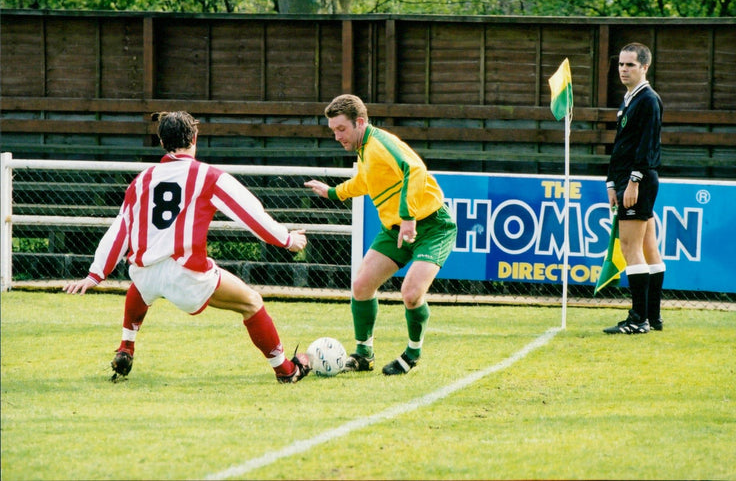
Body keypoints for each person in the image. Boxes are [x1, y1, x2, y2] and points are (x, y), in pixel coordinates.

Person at [63, 111, 312, 383]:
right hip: (187, 275)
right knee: (251, 303)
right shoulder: (209, 176)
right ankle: (287, 371)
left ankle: (126, 346)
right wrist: (287, 240)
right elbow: (251, 215)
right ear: (195, 138)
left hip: (145, 271)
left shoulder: (141, 180)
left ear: (161, 142)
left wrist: (95, 273)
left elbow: (120, 229)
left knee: (141, 286)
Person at [304, 94, 457, 375]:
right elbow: (365, 181)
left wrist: (409, 217)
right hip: (396, 228)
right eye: (333, 131)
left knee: (411, 294)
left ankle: (412, 353)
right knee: (361, 285)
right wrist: (333, 192)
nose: (337, 137)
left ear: (359, 122)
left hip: (433, 226)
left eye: (341, 129)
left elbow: (415, 169)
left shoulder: (380, 143)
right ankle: (364, 355)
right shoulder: (364, 150)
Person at [603, 43, 666, 334]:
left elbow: (646, 145)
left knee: (630, 246)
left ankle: (637, 319)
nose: (623, 69)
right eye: (620, 64)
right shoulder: (630, 99)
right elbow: (621, 147)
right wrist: (611, 182)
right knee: (648, 247)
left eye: (630, 65)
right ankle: (653, 317)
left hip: (638, 180)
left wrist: (633, 181)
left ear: (644, 67)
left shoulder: (648, 100)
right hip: (629, 178)